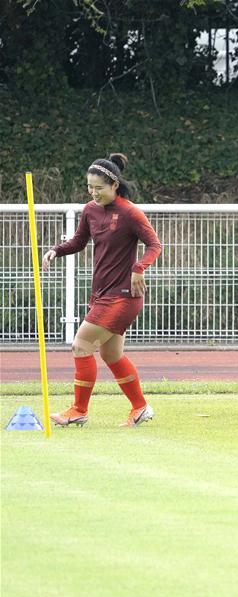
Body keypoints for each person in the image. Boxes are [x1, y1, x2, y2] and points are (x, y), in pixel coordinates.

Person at [43, 153, 162, 427]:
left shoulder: (131, 212)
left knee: (80, 344)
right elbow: (78, 241)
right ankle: (141, 408)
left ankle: (79, 410)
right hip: (101, 294)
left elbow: (155, 245)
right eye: (89, 187)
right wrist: (55, 250)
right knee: (111, 355)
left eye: (99, 188)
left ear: (114, 185)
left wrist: (138, 268)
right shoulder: (90, 210)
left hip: (123, 297)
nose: (93, 193)